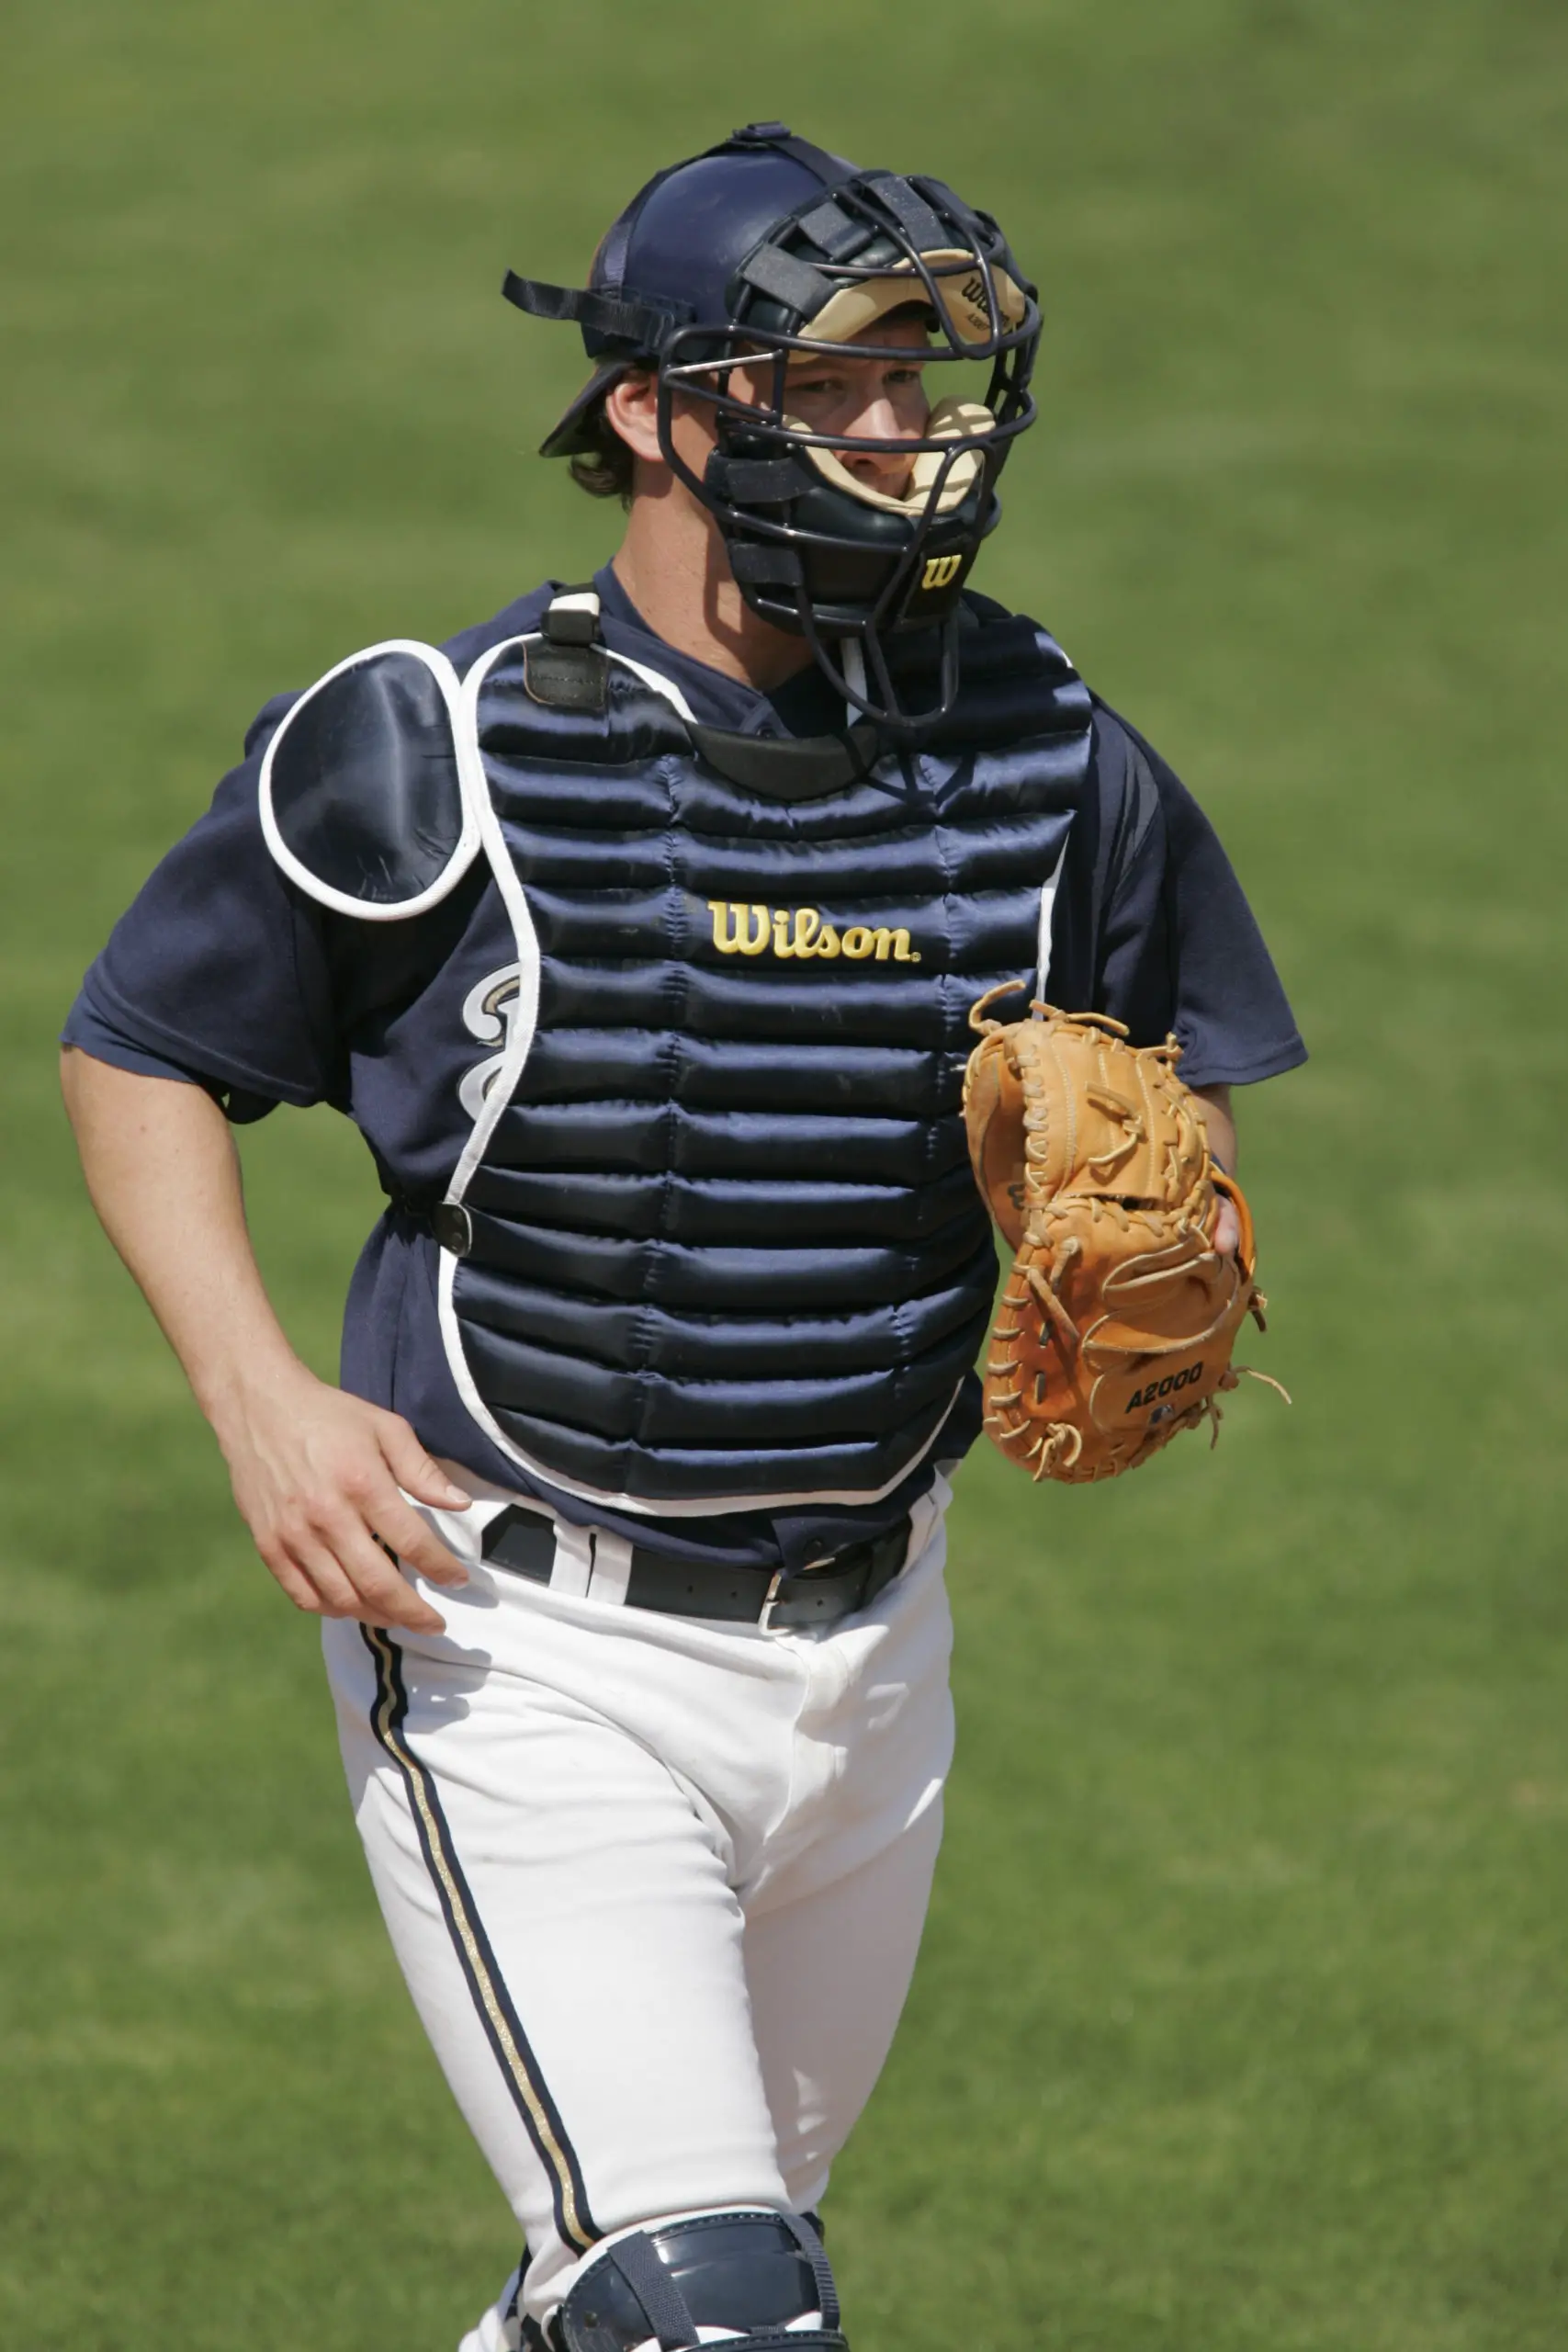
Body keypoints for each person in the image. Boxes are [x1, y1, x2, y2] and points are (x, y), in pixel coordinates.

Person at [61, 123, 1304, 2352]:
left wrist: (1169, 1215)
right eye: (843, 388)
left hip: (875, 1652)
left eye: (932, 387)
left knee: (615, 2296)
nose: (914, 443)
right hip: (522, 1646)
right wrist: (256, 1398)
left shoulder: (1040, 749)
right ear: (656, 410)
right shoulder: (432, 744)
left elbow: (1168, 1085)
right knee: (705, 2307)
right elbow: (141, 1042)